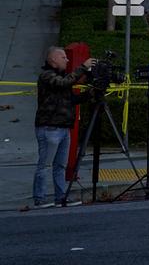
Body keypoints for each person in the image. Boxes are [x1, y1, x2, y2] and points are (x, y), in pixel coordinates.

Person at [33, 47, 96, 209]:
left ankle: (60, 197)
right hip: (50, 128)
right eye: (63, 57)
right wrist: (83, 66)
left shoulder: (60, 77)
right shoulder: (47, 76)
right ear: (53, 60)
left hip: (63, 128)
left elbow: (70, 100)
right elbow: (62, 84)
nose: (67, 60)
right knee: (45, 165)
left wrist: (90, 93)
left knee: (60, 165)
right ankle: (39, 198)